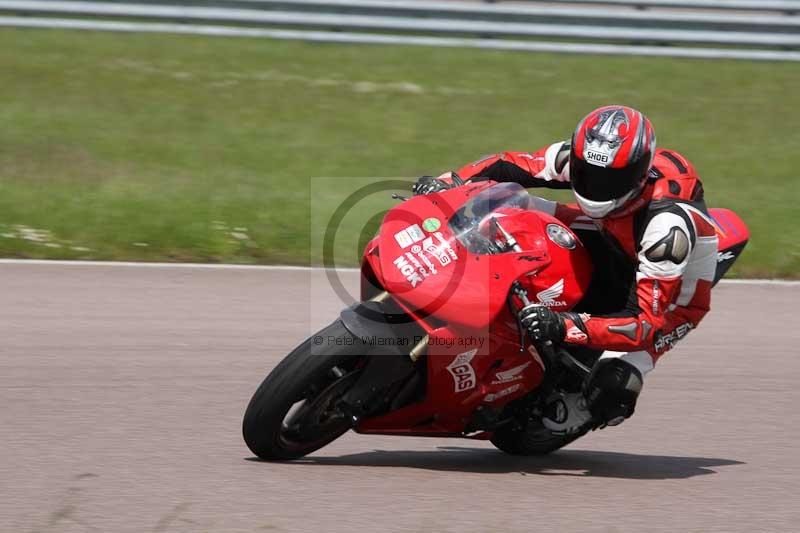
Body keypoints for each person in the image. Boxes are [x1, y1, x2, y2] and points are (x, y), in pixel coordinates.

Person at [412, 105, 719, 434]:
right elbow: (512, 165)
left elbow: (644, 324)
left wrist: (562, 325)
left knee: (614, 384)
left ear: (639, 176)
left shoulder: (666, 231)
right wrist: (450, 184)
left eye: (611, 180)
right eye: (588, 174)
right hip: (611, 231)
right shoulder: (584, 157)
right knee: (505, 208)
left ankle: (580, 407)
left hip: (667, 297)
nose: (596, 187)